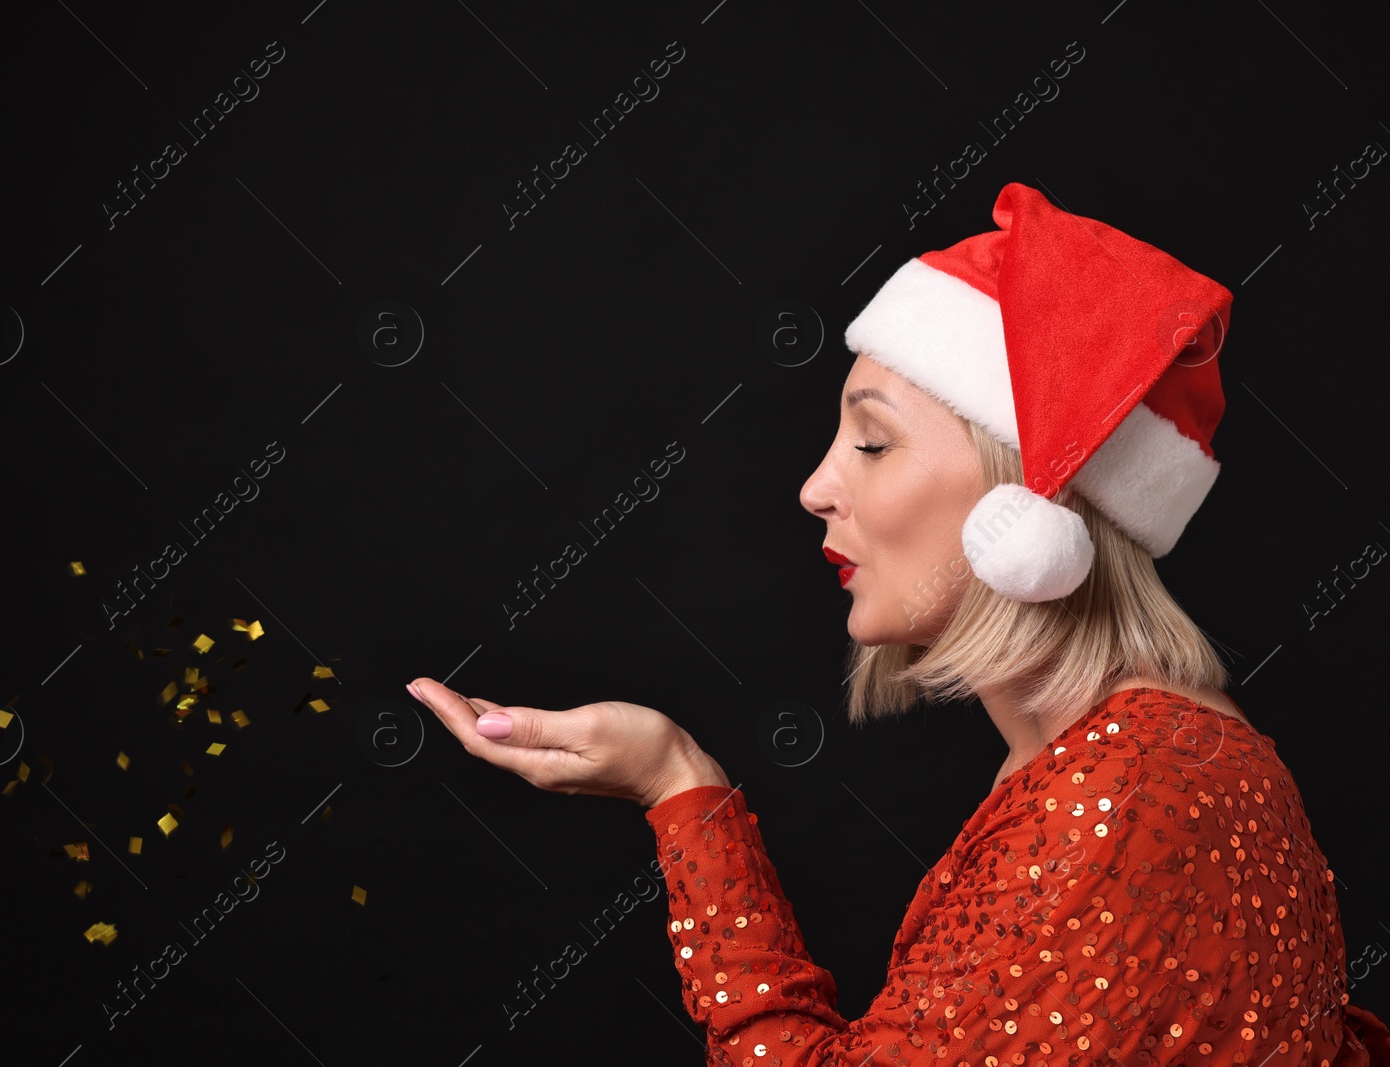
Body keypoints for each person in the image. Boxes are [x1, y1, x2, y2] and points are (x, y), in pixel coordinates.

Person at [408, 182, 1390, 1065]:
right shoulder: (1120, 760)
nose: (813, 487)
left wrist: (679, 792)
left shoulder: (1123, 809)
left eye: (872, 441)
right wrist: (676, 773)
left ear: (1027, 505)